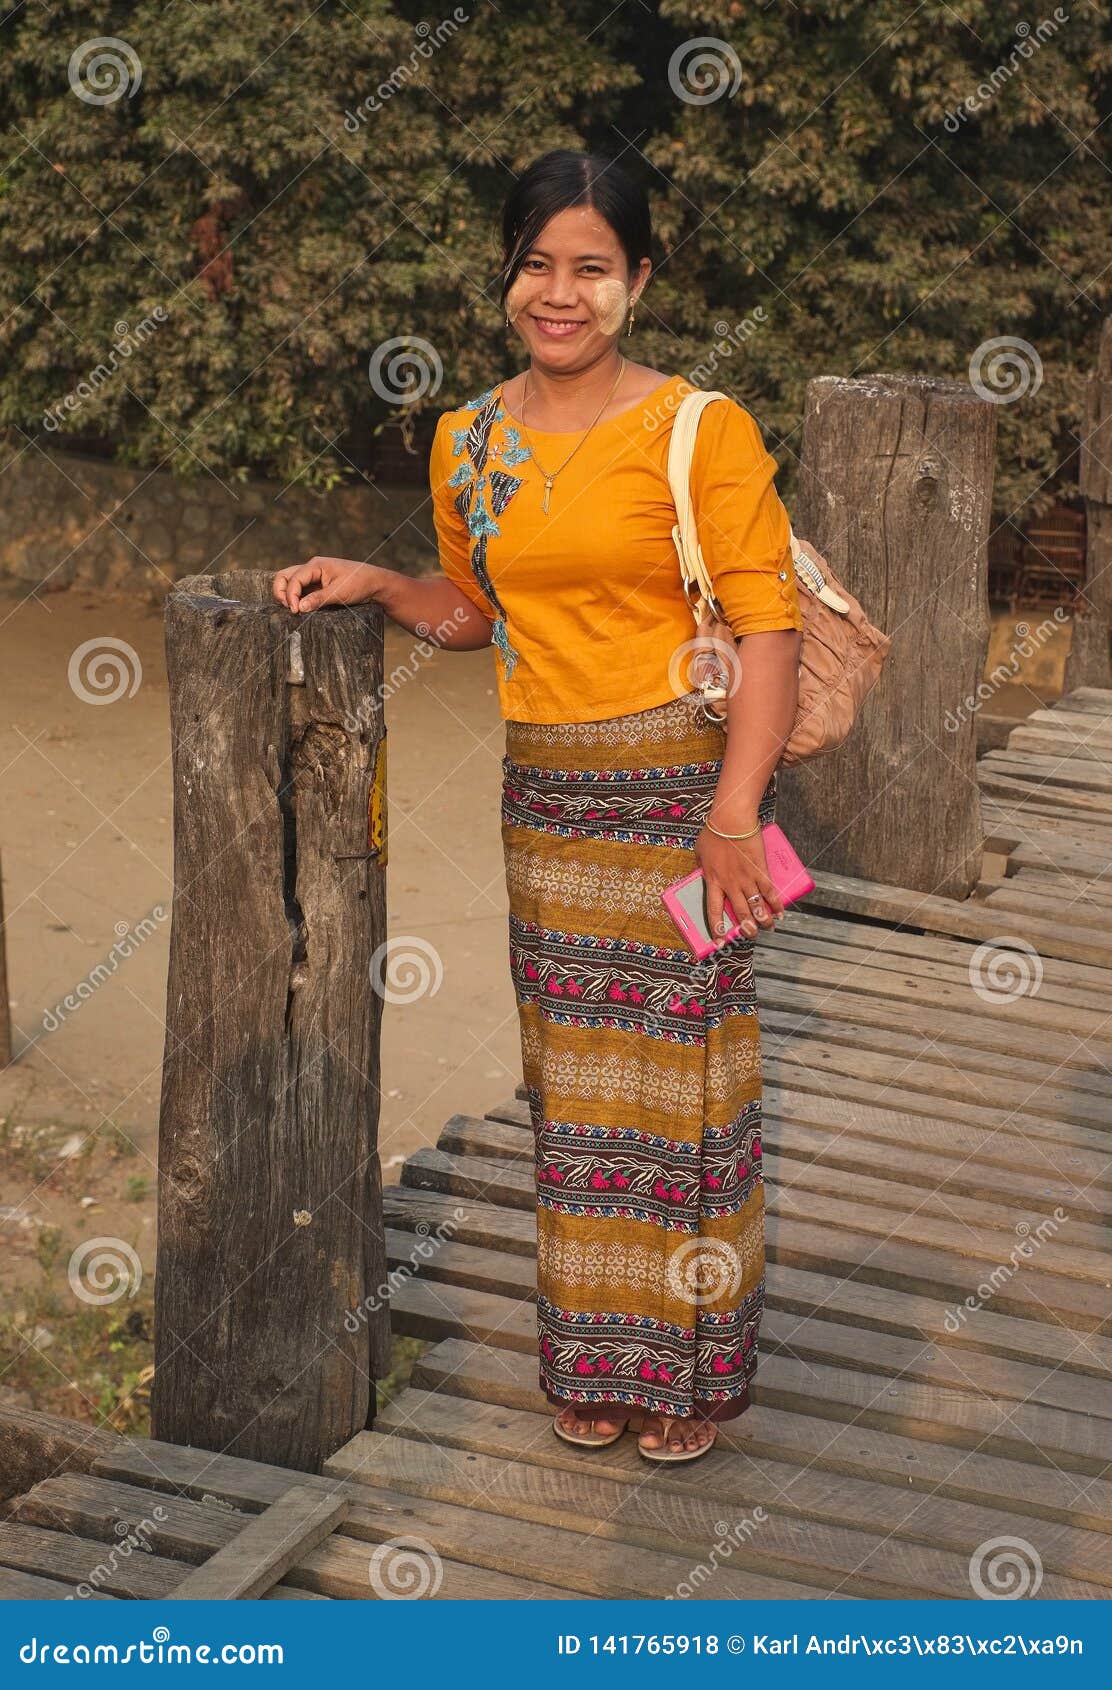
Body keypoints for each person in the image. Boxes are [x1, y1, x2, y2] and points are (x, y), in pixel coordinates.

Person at [273, 149, 803, 1463]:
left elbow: (769, 625)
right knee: (574, 1086)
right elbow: (479, 611)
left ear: (638, 280)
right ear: (507, 273)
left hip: (685, 793)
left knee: (686, 1086)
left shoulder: (697, 427)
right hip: (549, 803)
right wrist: (390, 588)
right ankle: (596, 1358)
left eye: (593, 268)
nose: (559, 294)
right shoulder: (470, 439)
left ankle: (682, 1370)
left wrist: (736, 808)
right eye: (537, 265)